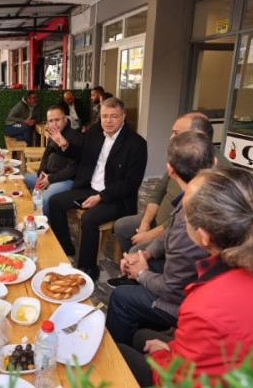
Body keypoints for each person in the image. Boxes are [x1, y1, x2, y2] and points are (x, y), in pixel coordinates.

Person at [118, 168, 253, 388]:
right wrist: (175, 350)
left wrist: (160, 355)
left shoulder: (205, 305)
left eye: (185, 215)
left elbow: (183, 385)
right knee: (141, 337)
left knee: (122, 353)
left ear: (204, 236)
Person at [105, 131, 214, 346]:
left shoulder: (192, 218)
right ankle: (143, 325)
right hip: (195, 282)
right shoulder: (203, 194)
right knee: (139, 266)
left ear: (170, 170)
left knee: (121, 298)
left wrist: (142, 273)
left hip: (192, 302)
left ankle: (122, 360)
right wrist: (145, 253)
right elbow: (169, 233)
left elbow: (172, 290)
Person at [108, 112, 230, 287]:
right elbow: (158, 192)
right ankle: (132, 273)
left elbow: (181, 222)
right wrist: (145, 223)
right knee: (121, 225)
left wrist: (150, 234)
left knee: (137, 250)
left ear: (199, 137)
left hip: (177, 233)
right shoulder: (182, 156)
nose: (171, 138)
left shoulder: (217, 171)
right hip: (163, 223)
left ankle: (140, 280)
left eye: (176, 133)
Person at [48, 97, 148, 281]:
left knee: (89, 219)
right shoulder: (95, 131)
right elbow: (81, 154)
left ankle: (88, 269)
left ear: (123, 117)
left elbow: (130, 183)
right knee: (55, 201)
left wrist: (101, 197)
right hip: (90, 187)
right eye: (104, 116)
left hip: (116, 197)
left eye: (113, 116)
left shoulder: (136, 144)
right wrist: (64, 145)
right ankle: (65, 249)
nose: (108, 121)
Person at [23, 104, 82, 216]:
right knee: (20, 180)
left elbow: (72, 169)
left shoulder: (76, 137)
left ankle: (43, 228)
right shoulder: (53, 134)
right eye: (51, 121)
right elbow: (46, 156)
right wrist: (42, 172)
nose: (54, 124)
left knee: (44, 199)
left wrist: (50, 179)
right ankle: (23, 214)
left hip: (66, 180)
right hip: (48, 175)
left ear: (65, 119)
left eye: (57, 120)